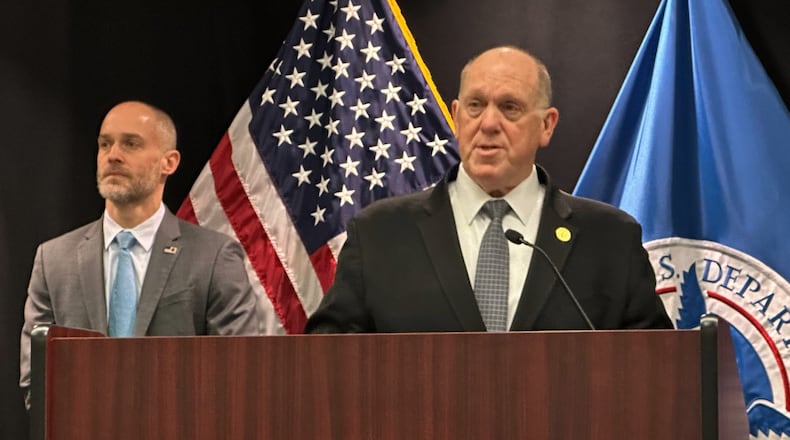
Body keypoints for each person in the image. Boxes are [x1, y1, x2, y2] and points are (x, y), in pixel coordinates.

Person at [305, 46, 672, 333]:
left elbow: (654, 366)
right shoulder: (379, 234)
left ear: (547, 125)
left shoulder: (609, 239)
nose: (489, 123)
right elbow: (326, 359)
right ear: (456, 115)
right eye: (475, 106)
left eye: (509, 107)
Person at [20, 101, 260, 407]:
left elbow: (238, 373)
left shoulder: (214, 257)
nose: (113, 155)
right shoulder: (54, 259)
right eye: (105, 144)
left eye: (131, 144)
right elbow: (37, 382)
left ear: (169, 162)